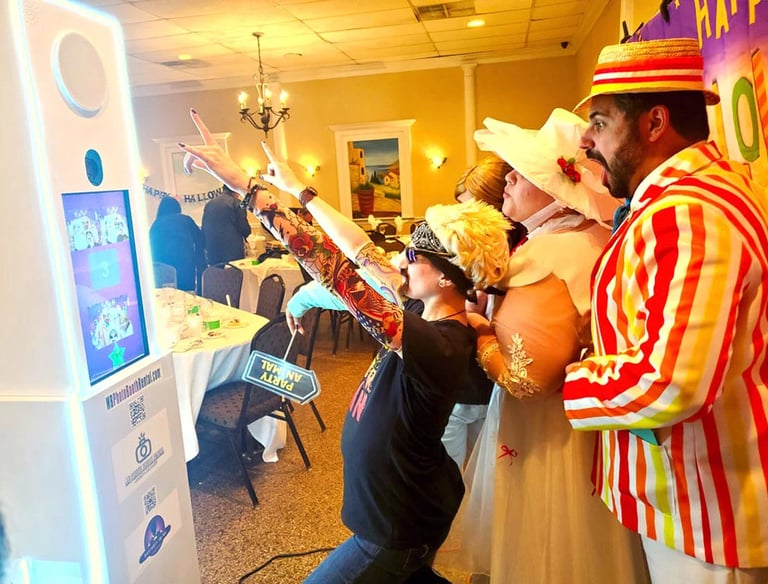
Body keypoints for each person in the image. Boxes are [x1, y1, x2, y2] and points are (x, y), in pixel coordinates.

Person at [179, 108, 512, 582]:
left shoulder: (437, 342)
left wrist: (247, 188)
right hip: (403, 508)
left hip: (395, 522)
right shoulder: (424, 311)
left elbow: (332, 267)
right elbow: (356, 247)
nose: (398, 259)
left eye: (412, 256)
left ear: (442, 276)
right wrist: (300, 190)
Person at [561, 38, 768, 583]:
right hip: (682, 500)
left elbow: (672, 382)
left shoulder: (689, 212)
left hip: (708, 514)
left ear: (655, 123)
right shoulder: (672, 202)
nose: (586, 140)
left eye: (600, 123)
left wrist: (573, 377)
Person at [438, 108, 648, 584]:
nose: (508, 180)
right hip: (580, 420)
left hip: (548, 429)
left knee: (548, 544)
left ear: (554, 190)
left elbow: (526, 379)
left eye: (520, 173)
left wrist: (478, 331)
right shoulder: (585, 238)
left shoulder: (549, 254)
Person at [148, 196, 206, 291]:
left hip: (162, 271)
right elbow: (201, 240)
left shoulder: (155, 225)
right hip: (185, 266)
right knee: (186, 297)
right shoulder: (185, 220)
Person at [201, 183, 251, 265]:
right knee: (233, 276)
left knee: (217, 276)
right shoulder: (237, 203)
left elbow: (204, 228)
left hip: (213, 251)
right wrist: (248, 231)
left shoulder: (209, 204)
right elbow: (244, 229)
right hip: (232, 252)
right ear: (236, 191)